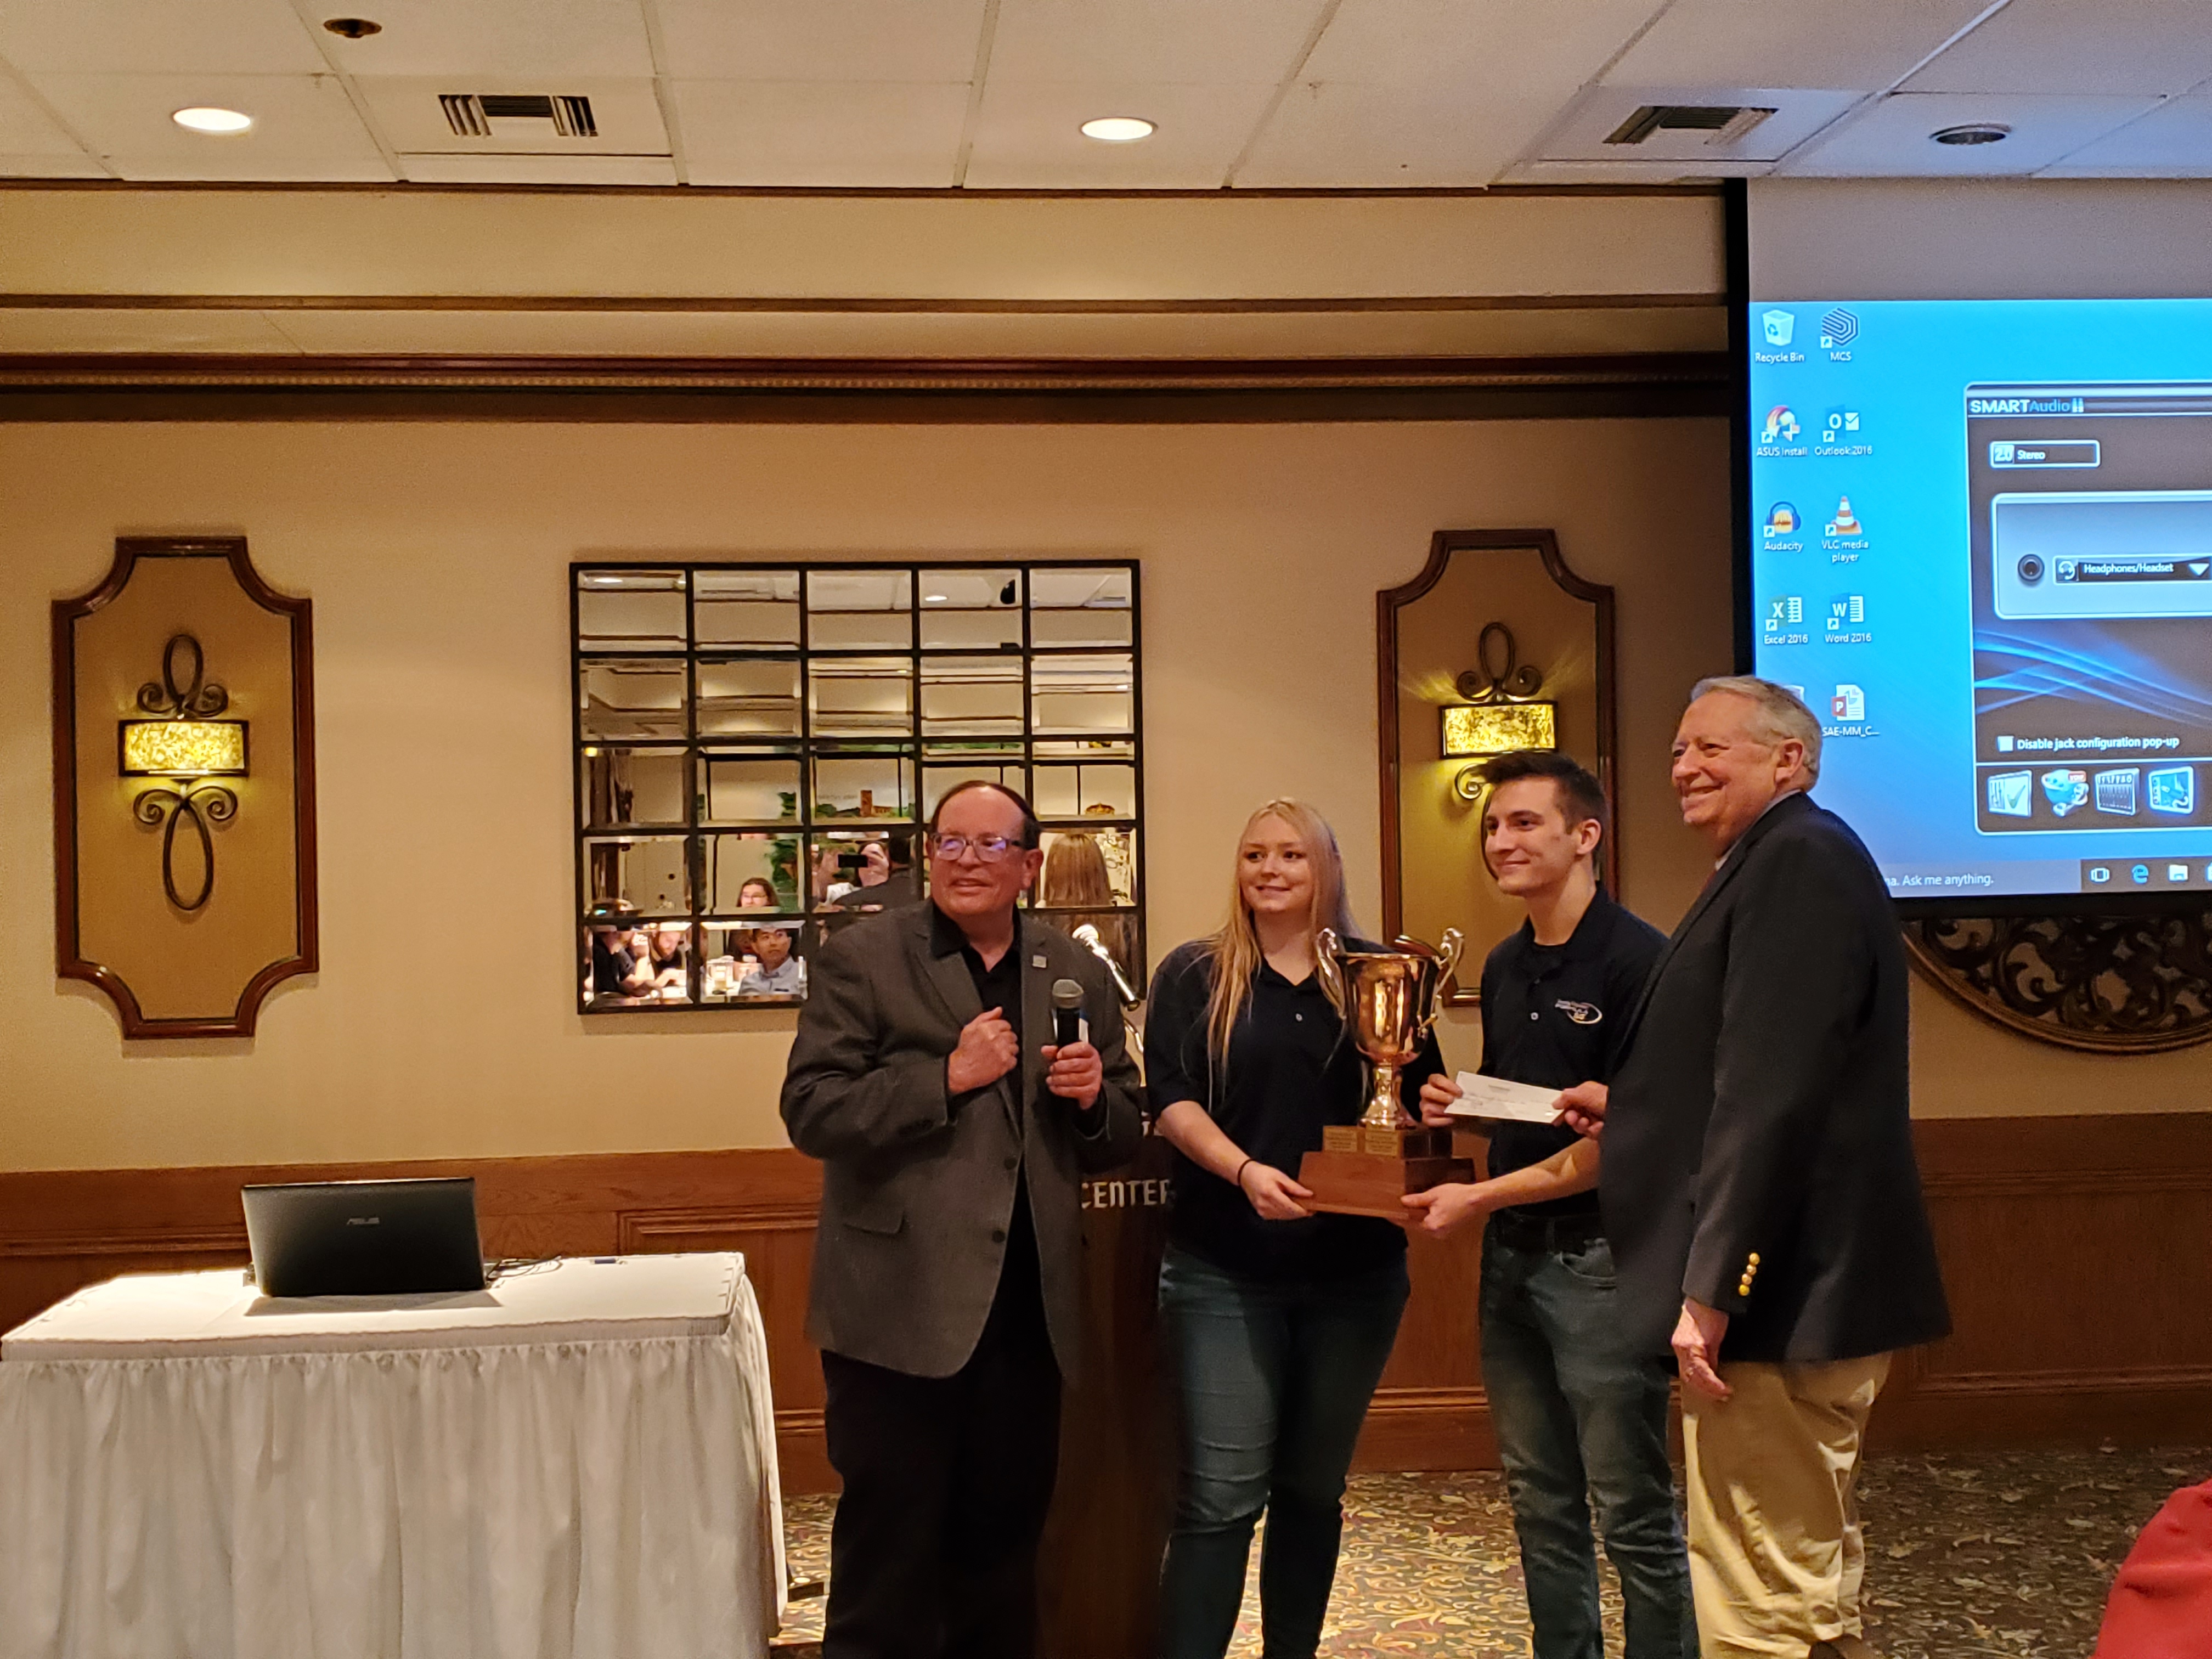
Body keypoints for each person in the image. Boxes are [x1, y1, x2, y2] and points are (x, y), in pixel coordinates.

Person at [1559, 676, 1950, 1659]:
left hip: (1774, 1297)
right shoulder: (1780, 857)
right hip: (1793, 1290)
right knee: (1805, 1583)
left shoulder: (1797, 861)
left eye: (1710, 750)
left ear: (1789, 759)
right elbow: (1755, 1064)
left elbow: (1773, 1093)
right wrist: (1638, 1105)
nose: (1682, 767)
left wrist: (1714, 1283)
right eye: (1678, 749)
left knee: (1759, 1599)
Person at [780, 781, 1144, 1659]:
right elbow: (812, 1110)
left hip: (1026, 1318)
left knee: (1003, 1556)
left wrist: (1097, 1100)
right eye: (949, 843)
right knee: (887, 1565)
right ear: (926, 855)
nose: (966, 860)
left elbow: (1124, 1127)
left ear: (1028, 865)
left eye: (990, 846)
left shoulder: (1076, 968)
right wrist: (945, 1078)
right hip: (895, 1314)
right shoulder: (862, 958)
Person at [1402, 752, 1695, 1659]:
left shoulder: (1639, 959)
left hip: (1603, 1262)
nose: (1500, 841)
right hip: (1512, 1261)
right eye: (1492, 826)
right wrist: (1462, 1105)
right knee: (1539, 1502)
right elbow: (1537, 1110)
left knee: (1633, 1510)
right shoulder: (1503, 964)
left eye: (1523, 822)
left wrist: (1475, 1194)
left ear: (1585, 834)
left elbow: (1619, 1142)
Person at [1144, 799, 1441, 1659]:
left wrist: (1441, 1109)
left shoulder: (1379, 973)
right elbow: (1170, 1100)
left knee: (1312, 1492)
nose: (1270, 871)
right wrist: (1242, 1169)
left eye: (1291, 857)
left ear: (1326, 871)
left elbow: (1414, 1092)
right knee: (1221, 1498)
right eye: (1253, 856)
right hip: (1223, 1271)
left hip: (1356, 1275)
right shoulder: (1195, 973)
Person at [736, 922, 804, 997]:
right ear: (755, 946)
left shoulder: (803, 976)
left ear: (789, 942)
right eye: (766, 937)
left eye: (779, 935)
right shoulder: (749, 983)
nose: (773, 943)